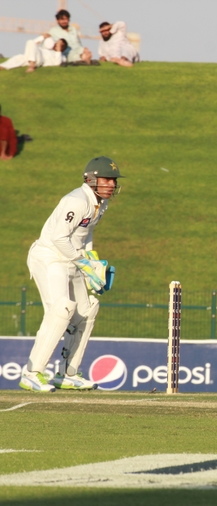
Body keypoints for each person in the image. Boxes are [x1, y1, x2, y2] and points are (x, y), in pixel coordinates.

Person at [19, 157, 124, 392]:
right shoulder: (76, 201)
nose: (111, 185)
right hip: (49, 257)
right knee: (61, 309)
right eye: (107, 180)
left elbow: (85, 235)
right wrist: (82, 262)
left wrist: (92, 263)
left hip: (71, 258)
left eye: (113, 181)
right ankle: (32, 373)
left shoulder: (101, 203)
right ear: (92, 179)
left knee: (86, 312)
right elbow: (58, 238)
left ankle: (67, 373)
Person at [0, 35, 67, 73]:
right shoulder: (47, 49)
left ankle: (32, 66)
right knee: (20, 57)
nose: (57, 44)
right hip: (33, 57)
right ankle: (2, 66)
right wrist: (42, 37)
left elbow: (57, 64)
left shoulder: (62, 56)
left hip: (40, 60)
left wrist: (58, 51)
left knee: (30, 43)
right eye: (57, 42)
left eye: (60, 44)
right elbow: (32, 44)